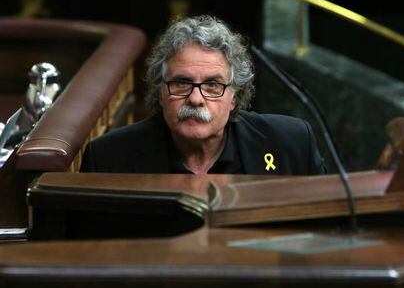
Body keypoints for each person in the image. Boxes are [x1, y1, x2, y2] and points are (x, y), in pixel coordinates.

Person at [80, 15, 326, 175]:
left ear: (234, 97)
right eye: (181, 83)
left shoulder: (291, 145)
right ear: (161, 92)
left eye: (212, 86)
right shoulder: (107, 159)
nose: (196, 99)